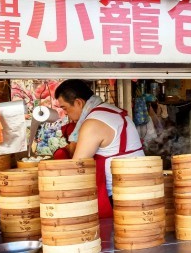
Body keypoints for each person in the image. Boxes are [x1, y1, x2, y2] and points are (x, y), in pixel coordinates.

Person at [55, 79, 145, 218]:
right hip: (138, 188)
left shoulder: (93, 123)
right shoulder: (110, 111)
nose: (66, 113)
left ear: (79, 102)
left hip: (121, 196)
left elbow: (78, 166)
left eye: (65, 108)